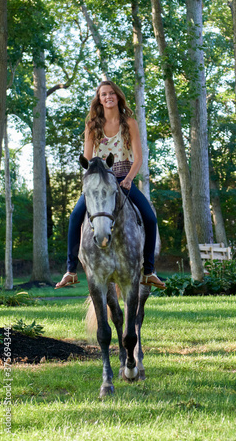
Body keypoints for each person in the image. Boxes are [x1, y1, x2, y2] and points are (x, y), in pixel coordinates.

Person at [55, 81, 166, 290]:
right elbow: (87, 158)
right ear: (99, 99)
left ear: (118, 96)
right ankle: (70, 270)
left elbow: (139, 158)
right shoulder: (92, 126)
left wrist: (128, 179)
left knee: (150, 218)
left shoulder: (129, 123)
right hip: (99, 179)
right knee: (75, 216)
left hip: (123, 177)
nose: (108, 97)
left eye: (112, 93)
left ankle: (149, 271)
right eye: (104, 94)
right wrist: (89, 179)